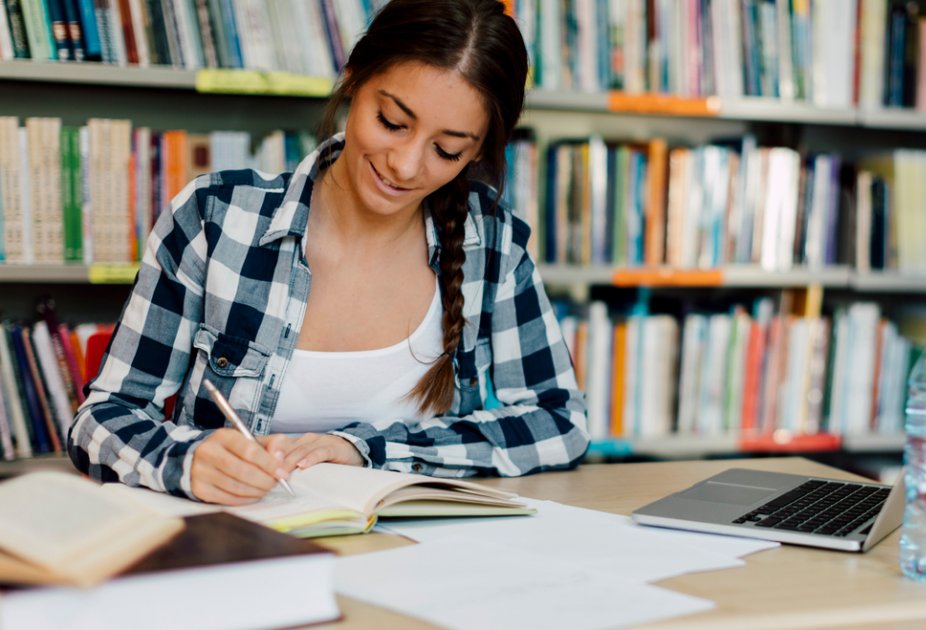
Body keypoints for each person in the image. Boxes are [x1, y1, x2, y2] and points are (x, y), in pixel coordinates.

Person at [68, 0, 589, 506]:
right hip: (239, 551)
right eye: (391, 121)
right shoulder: (215, 218)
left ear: (476, 151)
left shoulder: (491, 245)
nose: (406, 166)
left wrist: (366, 450)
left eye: (447, 150)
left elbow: (560, 421)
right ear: (354, 81)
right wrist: (185, 459)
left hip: (423, 561)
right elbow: (102, 416)